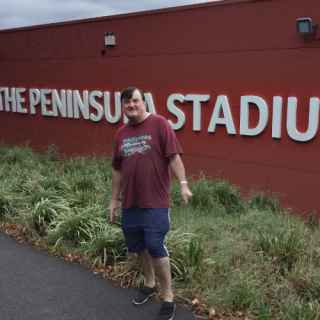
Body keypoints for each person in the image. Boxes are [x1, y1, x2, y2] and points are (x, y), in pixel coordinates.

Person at [109, 86, 192, 320]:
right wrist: (113, 200)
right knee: (139, 247)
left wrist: (184, 183)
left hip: (156, 201)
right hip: (130, 203)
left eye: (135, 101)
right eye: (127, 103)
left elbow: (174, 156)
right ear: (123, 107)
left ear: (144, 102)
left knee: (155, 245)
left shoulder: (160, 124)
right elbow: (117, 170)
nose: (131, 105)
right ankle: (149, 282)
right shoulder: (121, 134)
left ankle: (168, 297)